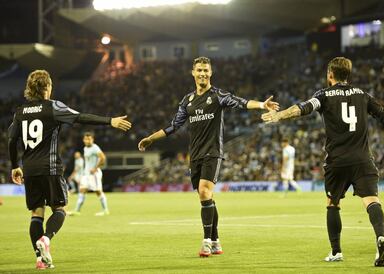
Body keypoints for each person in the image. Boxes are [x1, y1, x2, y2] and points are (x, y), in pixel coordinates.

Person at [262, 57, 384, 267]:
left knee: (333, 203)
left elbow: (303, 108)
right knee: (372, 201)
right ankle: (381, 238)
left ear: (330, 74)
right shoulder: (363, 95)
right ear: (348, 75)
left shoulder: (323, 95)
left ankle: (336, 251)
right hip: (363, 160)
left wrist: (280, 116)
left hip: (337, 162)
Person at [138, 56, 279, 257]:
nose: (203, 73)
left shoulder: (218, 95)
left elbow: (240, 102)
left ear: (210, 73)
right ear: (193, 73)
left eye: (206, 70)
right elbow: (173, 126)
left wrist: (261, 105)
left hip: (213, 152)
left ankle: (205, 242)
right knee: (207, 198)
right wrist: (151, 138)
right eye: (199, 70)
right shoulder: (187, 101)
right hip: (194, 155)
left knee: (205, 192)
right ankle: (216, 241)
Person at [8, 70, 131, 269]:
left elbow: (12, 141)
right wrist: (110, 121)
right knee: (60, 210)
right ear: (47, 87)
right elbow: (81, 117)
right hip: (50, 167)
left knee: (36, 213)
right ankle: (46, 239)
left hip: (29, 169)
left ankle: (40, 260)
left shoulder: (20, 112)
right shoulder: (54, 107)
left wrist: (15, 166)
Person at [68, 132, 109, 216]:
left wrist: (95, 168)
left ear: (92, 140)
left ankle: (105, 210)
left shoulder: (95, 148)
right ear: (83, 140)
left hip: (94, 174)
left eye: (89, 139)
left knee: (98, 191)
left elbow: (103, 158)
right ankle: (77, 210)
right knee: (82, 190)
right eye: (86, 139)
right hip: (86, 174)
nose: (87, 141)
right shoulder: (85, 148)